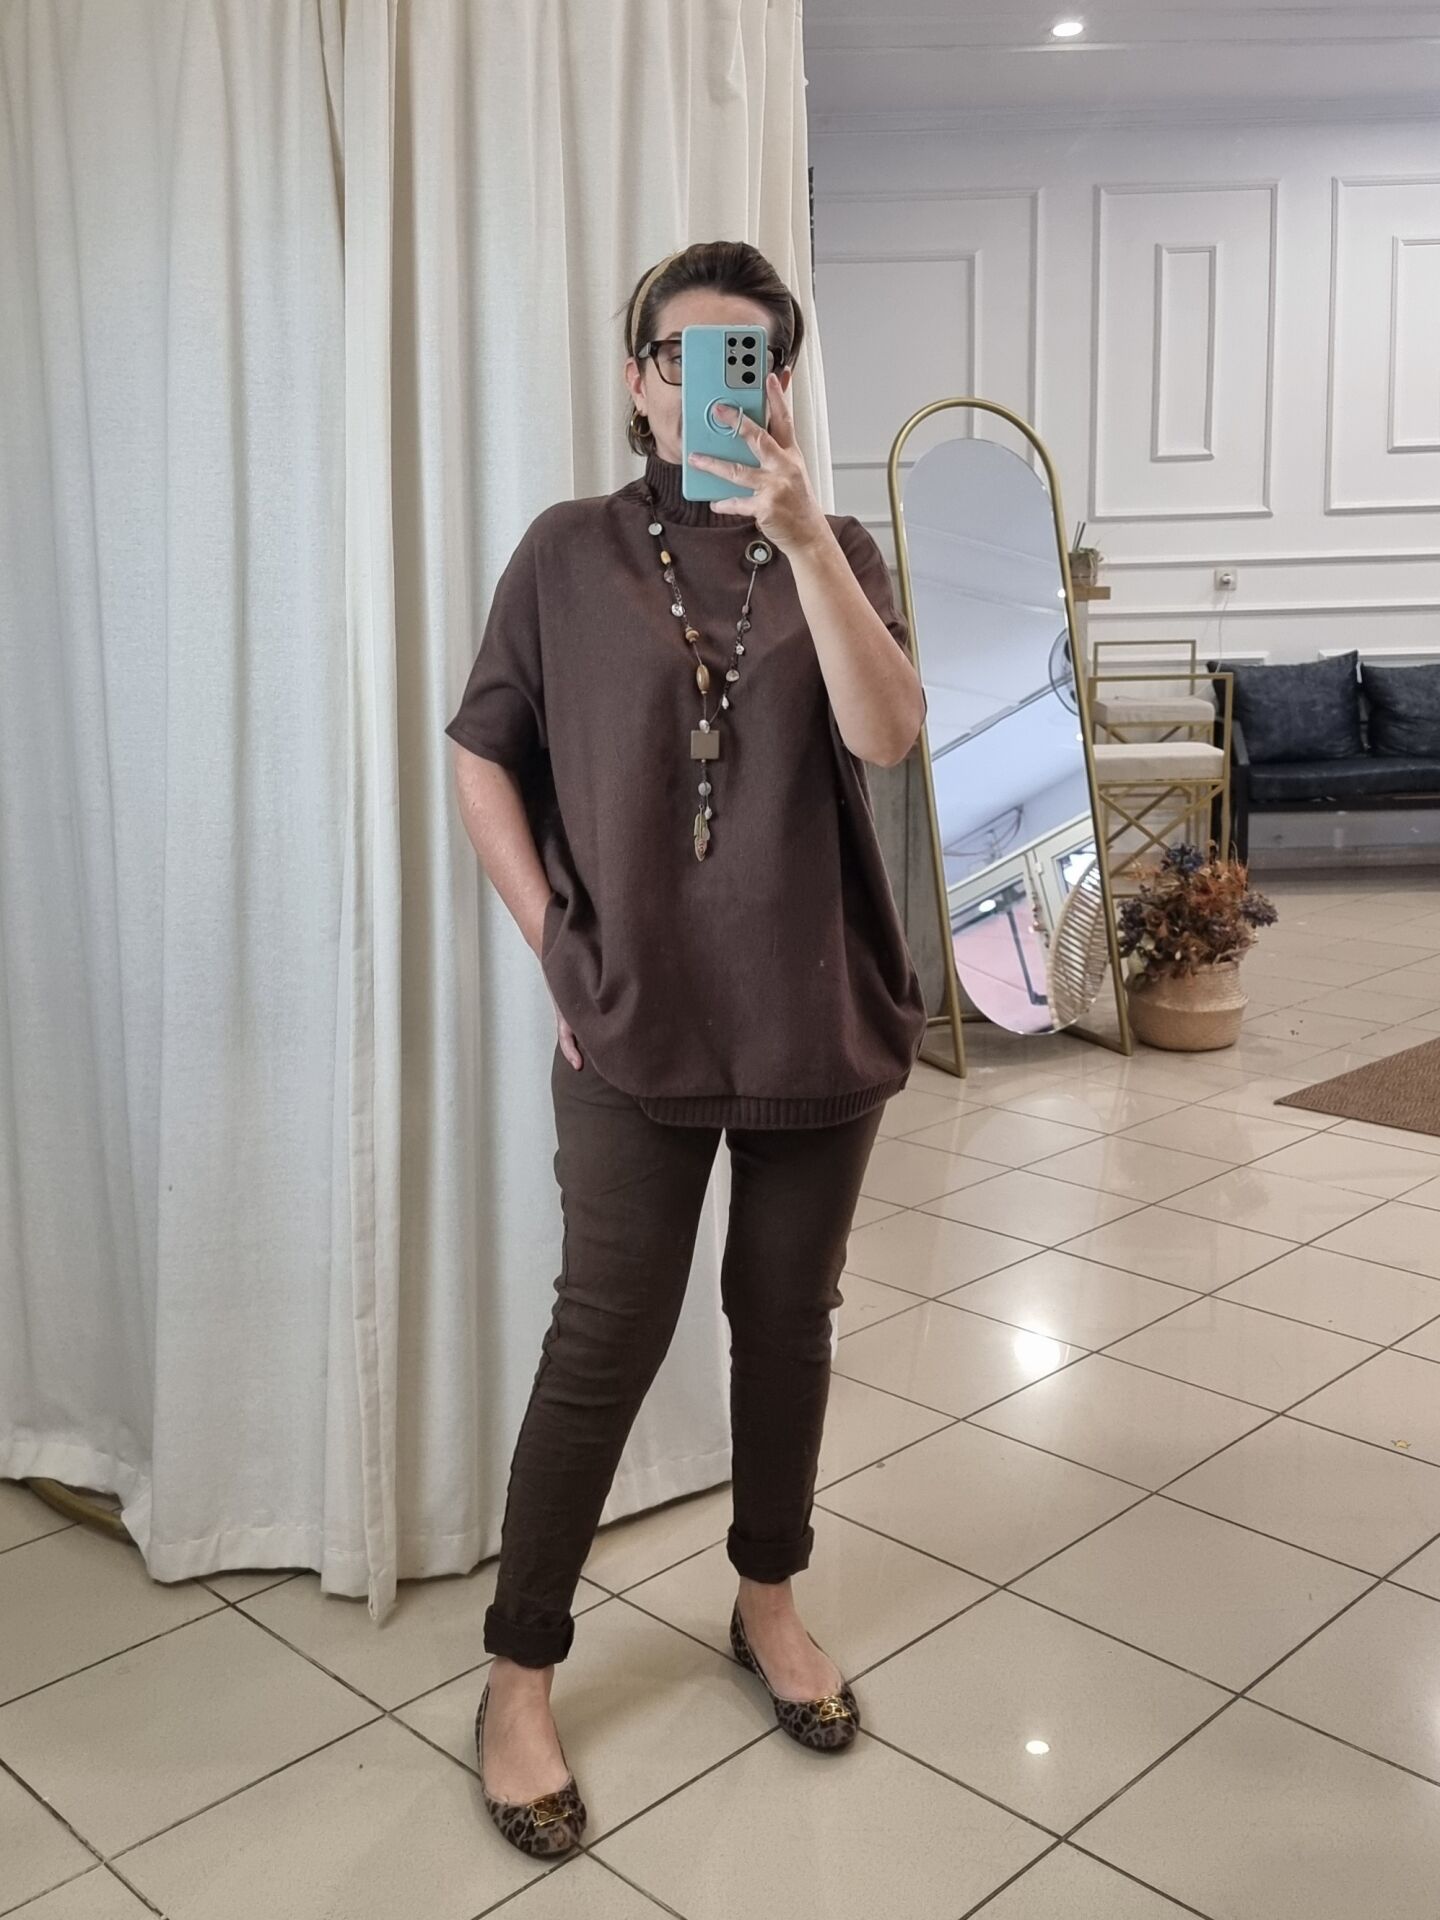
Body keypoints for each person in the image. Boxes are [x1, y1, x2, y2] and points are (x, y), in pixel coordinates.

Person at [447, 240, 928, 1857]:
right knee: (604, 1338)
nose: (722, 385)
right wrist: (555, 948)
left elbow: (886, 735)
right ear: (639, 381)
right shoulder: (566, 553)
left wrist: (806, 540)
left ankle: (767, 1602)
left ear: (779, 386)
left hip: (813, 1007)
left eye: (755, 361)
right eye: (687, 357)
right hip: (634, 1018)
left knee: (786, 1322)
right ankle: (520, 1673)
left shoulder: (838, 546)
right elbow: (482, 755)